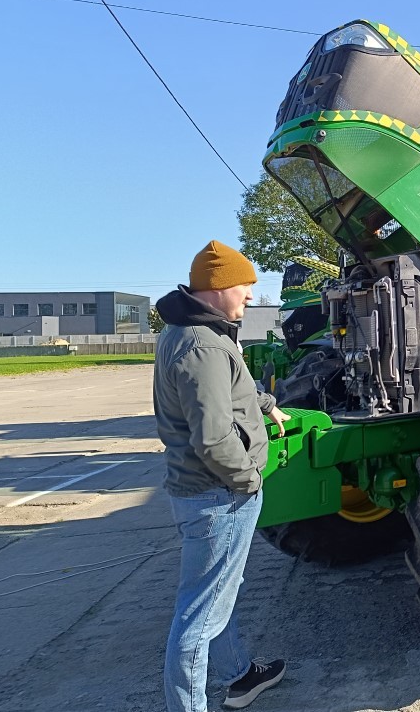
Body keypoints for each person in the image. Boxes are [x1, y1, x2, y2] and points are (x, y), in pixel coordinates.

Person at [154, 240, 291, 712]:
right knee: (197, 617)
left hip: (204, 491)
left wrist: (267, 406)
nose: (250, 297)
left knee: (214, 594)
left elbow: (230, 394)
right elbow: (212, 436)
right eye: (245, 286)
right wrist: (248, 479)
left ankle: (238, 675)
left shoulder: (194, 332)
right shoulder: (201, 345)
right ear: (218, 287)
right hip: (218, 496)